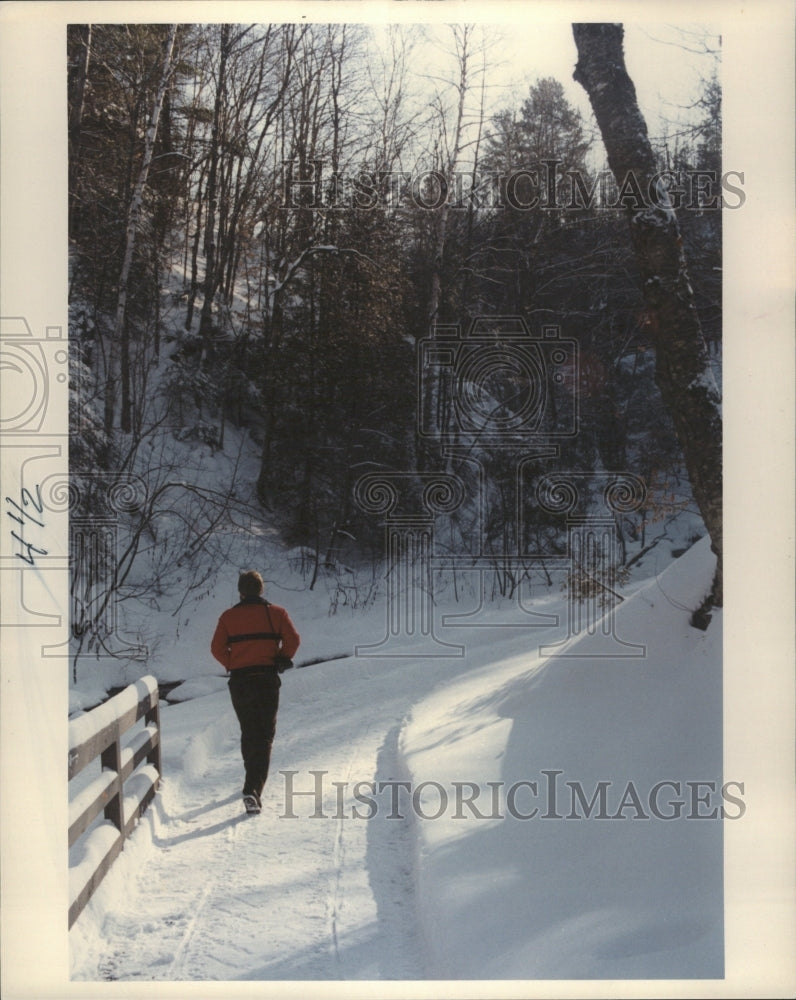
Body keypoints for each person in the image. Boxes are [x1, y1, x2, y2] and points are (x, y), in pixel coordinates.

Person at [211, 570, 300, 814]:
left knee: (249, 731)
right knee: (264, 735)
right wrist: (282, 659)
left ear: (240, 591)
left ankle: (251, 777)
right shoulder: (276, 613)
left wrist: (232, 662)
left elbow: (217, 648)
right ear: (261, 590)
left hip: (240, 681)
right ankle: (252, 789)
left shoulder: (228, 617)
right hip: (266, 679)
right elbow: (293, 640)